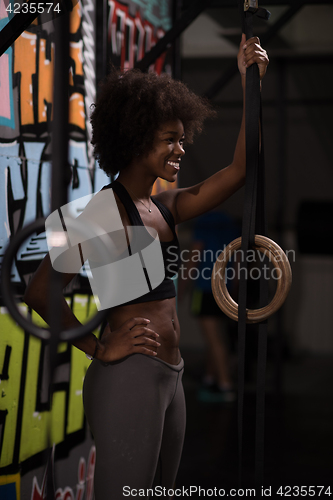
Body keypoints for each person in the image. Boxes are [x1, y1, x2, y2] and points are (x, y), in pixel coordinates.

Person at [24, 35, 268, 499]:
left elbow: (240, 170)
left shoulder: (165, 206)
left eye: (182, 138)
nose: (180, 149)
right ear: (136, 140)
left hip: (170, 375)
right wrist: (98, 349)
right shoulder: (91, 213)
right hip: (129, 375)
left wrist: (248, 83)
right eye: (170, 140)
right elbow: (39, 293)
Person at [183, 210, 241, 403]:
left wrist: (182, 286)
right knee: (216, 336)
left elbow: (195, 256)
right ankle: (210, 380)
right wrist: (233, 289)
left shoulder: (204, 223)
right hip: (223, 289)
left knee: (214, 339)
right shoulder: (230, 224)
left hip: (205, 288)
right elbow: (237, 261)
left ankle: (226, 385)